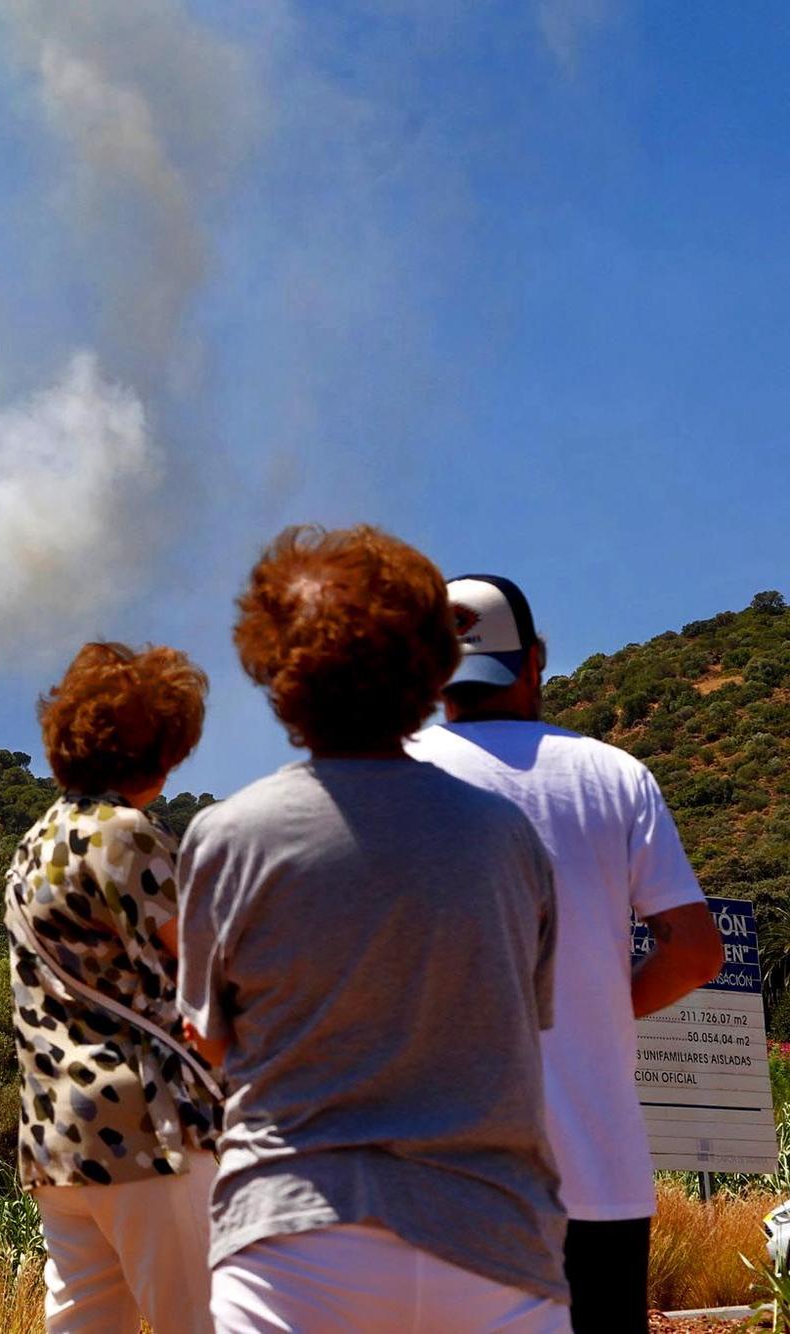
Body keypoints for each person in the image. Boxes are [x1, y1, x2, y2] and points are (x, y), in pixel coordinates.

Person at [176, 525, 569, 1333]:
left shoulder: (226, 836)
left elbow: (209, 1040)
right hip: (490, 1234)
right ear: (433, 667)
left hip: (292, 1239)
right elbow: (520, 1022)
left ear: (275, 672)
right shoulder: (507, 837)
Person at [407, 573, 722, 1333]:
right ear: (536, 658)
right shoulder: (613, 775)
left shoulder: (390, 776)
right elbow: (697, 951)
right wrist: (603, 1006)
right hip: (598, 1178)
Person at [7, 642, 225, 1333]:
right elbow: (211, 973)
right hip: (146, 1136)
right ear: (158, 751)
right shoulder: (125, 836)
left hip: (57, 1140)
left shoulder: (36, 842)